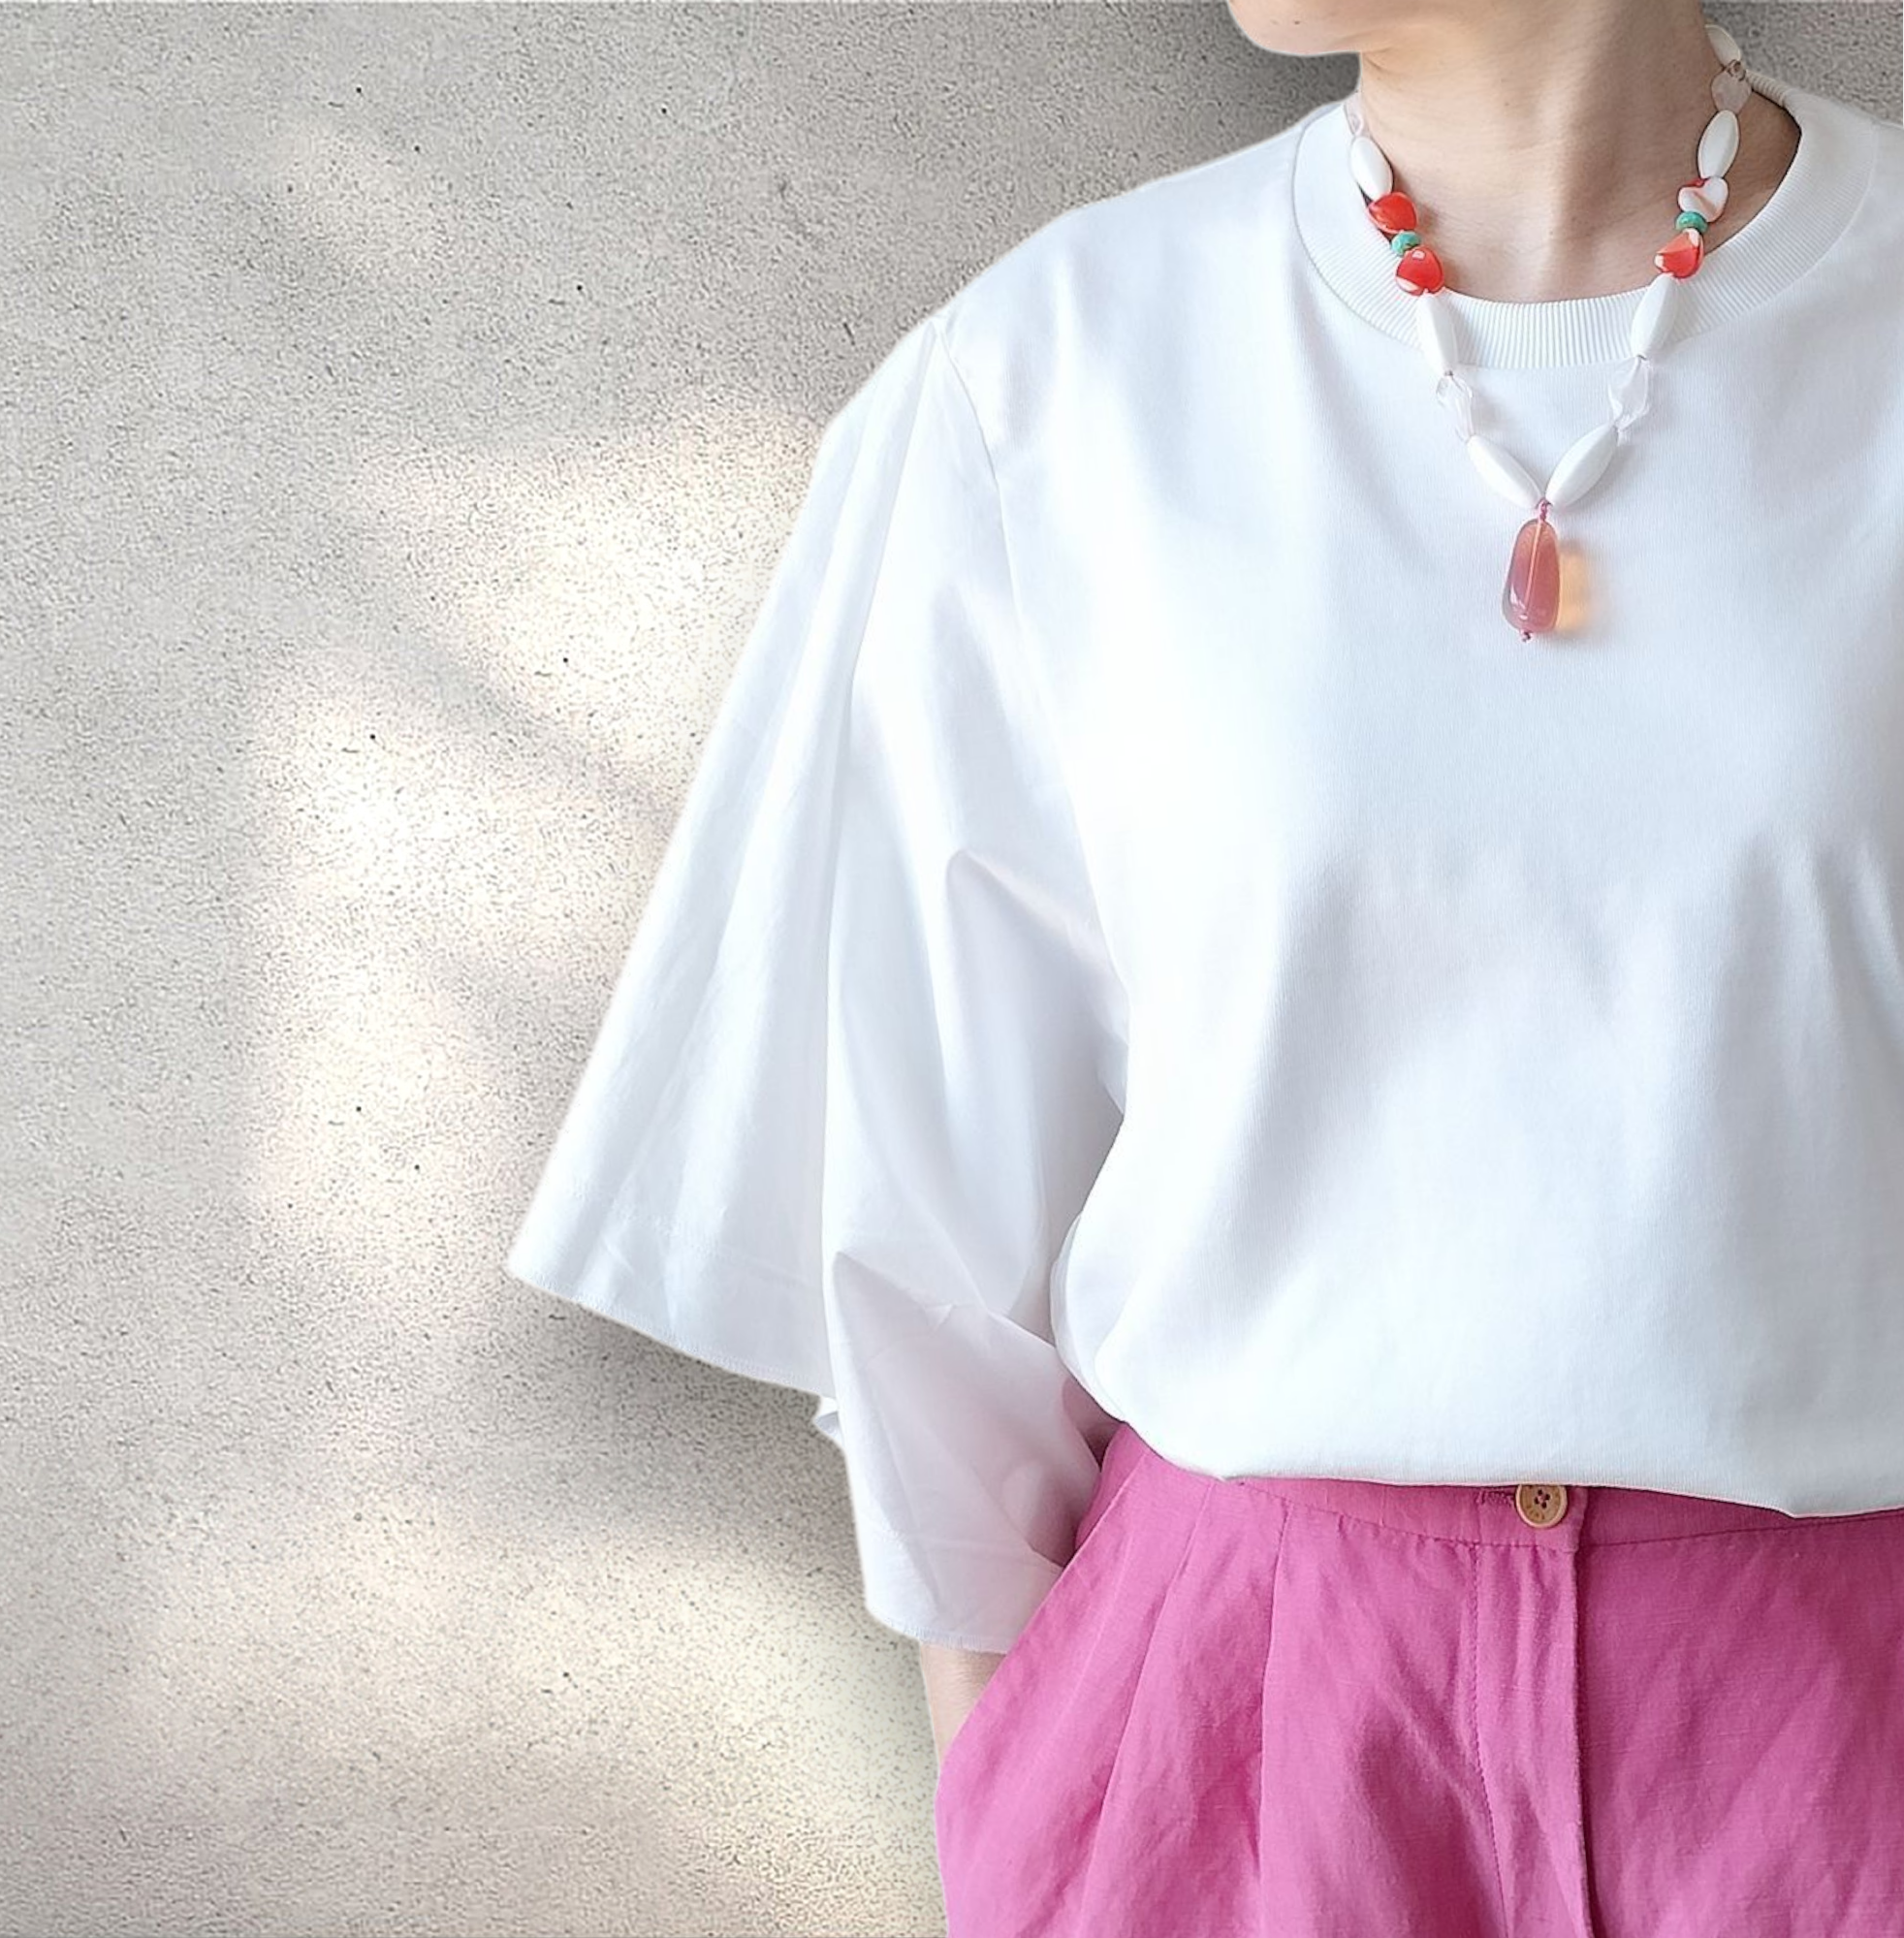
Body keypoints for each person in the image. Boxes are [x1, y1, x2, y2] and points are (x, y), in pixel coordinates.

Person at [506, 2, 1904, 1929]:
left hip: (1845, 1741)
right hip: (1230, 1746)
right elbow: (919, 1221)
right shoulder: (1052, 375)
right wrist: (1034, 1803)